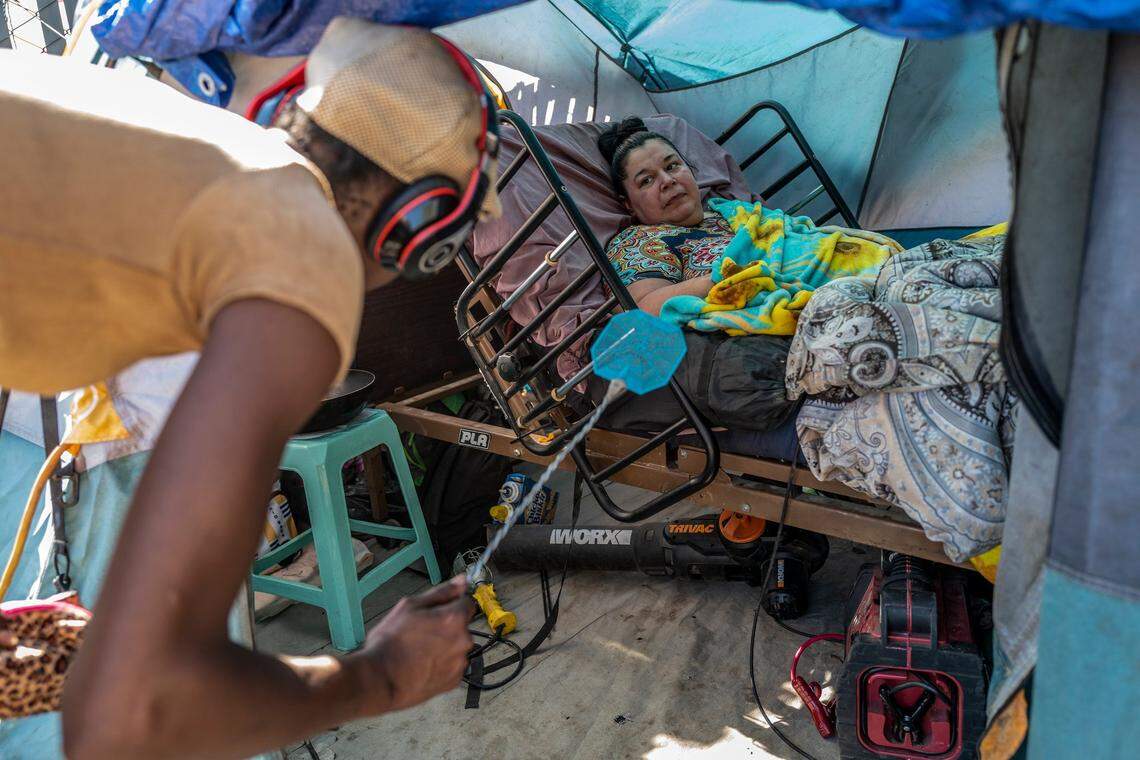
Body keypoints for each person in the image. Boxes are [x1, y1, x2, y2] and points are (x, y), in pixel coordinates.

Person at [0, 19, 498, 759]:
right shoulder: (301, 254)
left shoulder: (210, 158)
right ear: (418, 225)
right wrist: (385, 676)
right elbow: (137, 715)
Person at [598, 116, 735, 316]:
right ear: (629, 205)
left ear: (691, 170)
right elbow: (639, 310)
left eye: (671, 166)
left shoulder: (730, 212)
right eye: (646, 180)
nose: (667, 180)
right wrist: (729, 276)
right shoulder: (637, 241)